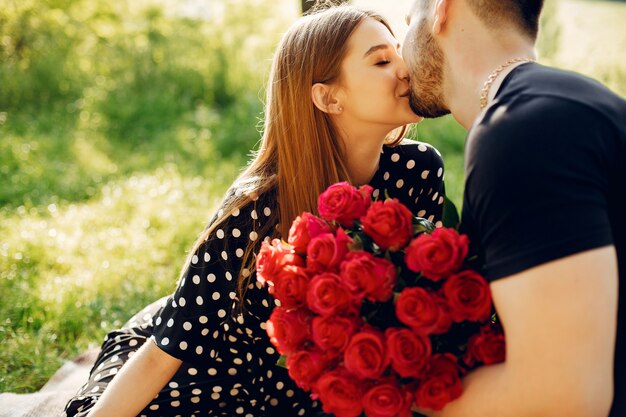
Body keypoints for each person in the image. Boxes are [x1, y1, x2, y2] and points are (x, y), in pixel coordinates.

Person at [63, 5, 446, 417]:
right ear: (328, 96)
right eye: (382, 60)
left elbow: (422, 297)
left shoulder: (417, 172)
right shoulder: (253, 211)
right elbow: (168, 348)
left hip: (334, 376)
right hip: (216, 366)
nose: (404, 69)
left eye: (398, 53)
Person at [402, 1, 626, 417]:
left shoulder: (522, 131)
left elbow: (564, 396)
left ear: (442, 10)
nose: (403, 31)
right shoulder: (562, 101)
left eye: (410, 15)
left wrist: (395, 393)